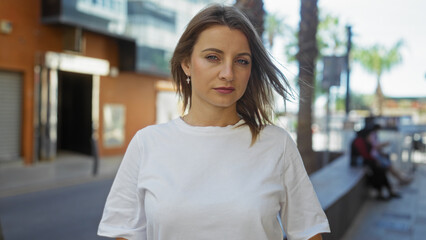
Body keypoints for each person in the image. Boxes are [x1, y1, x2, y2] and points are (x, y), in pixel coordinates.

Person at [98, 4, 330, 240]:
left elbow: (309, 233)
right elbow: (124, 233)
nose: (228, 73)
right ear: (186, 63)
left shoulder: (277, 145)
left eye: (241, 61)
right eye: (213, 57)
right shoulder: (147, 143)